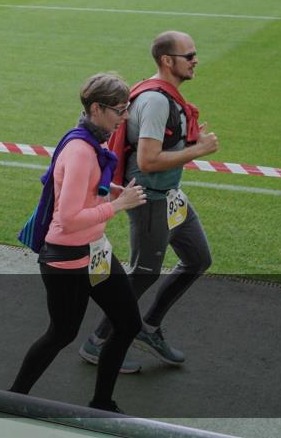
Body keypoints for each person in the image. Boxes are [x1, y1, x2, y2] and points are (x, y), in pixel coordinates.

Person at [79, 31, 218, 369]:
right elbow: (148, 161)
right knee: (143, 272)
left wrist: (187, 143)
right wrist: (198, 150)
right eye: (189, 55)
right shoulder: (156, 101)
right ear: (167, 61)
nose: (195, 59)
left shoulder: (166, 97)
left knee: (198, 259)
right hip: (150, 199)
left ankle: (148, 328)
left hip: (171, 196)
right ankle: (98, 342)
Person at [9, 73, 146, 413]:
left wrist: (112, 194)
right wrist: (118, 205)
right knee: (61, 333)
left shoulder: (88, 140)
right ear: (97, 109)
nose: (124, 117)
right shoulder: (81, 150)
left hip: (93, 252)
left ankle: (102, 403)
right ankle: (11, 399)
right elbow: (67, 218)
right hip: (68, 260)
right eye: (119, 110)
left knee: (128, 323)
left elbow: (82, 194)